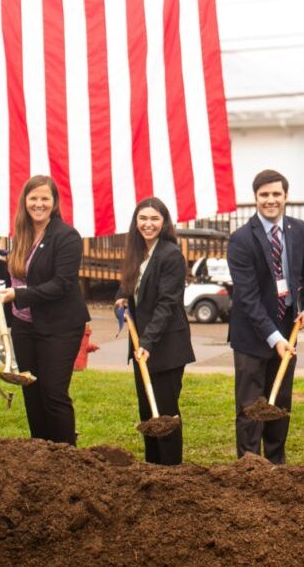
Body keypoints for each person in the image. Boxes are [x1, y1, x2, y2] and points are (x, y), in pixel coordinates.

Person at [0, 175, 90, 446]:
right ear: (25, 202)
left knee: (53, 393)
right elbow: (22, 272)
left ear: (54, 203)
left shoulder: (67, 236)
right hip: (24, 326)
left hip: (60, 327)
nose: (39, 204)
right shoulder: (22, 234)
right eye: (33, 198)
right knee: (31, 390)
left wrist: (19, 295)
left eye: (45, 198)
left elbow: (61, 284)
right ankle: (40, 452)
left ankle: (65, 454)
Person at [227, 169, 304, 464]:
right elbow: (248, 297)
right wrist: (274, 338)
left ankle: (277, 466)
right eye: (264, 195)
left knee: (280, 402)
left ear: (286, 196)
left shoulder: (298, 229)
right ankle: (250, 466)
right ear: (255, 198)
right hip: (252, 336)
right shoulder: (241, 239)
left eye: (276, 194)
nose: (271, 200)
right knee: (251, 407)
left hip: (287, 329)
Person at [114, 197, 195, 465]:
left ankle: (170, 471)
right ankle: (151, 468)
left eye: (154, 219)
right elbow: (130, 285)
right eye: (143, 219)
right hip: (143, 347)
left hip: (166, 346)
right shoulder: (138, 253)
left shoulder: (170, 254)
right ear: (136, 222)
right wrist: (121, 297)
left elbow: (166, 303)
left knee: (165, 413)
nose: (148, 224)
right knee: (148, 412)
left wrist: (147, 342)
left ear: (164, 222)